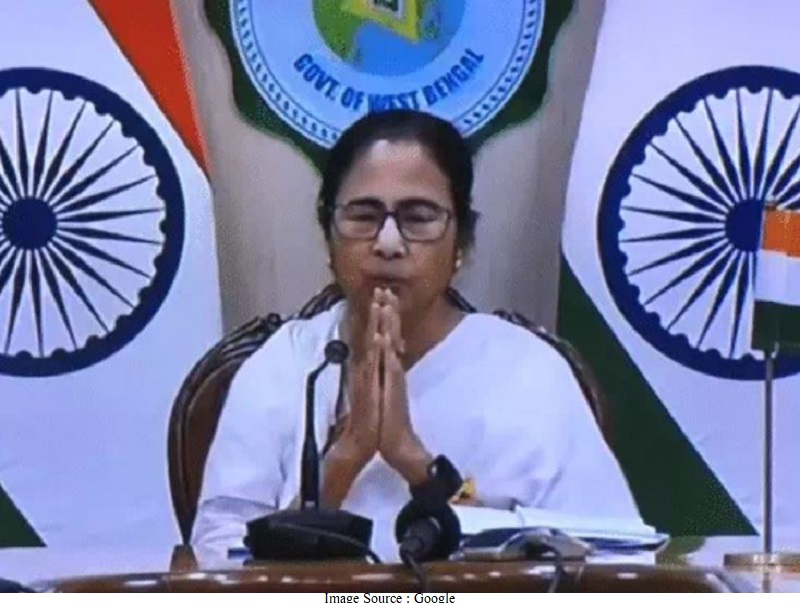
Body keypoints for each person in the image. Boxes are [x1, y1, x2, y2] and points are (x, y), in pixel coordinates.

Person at [192, 109, 644, 561]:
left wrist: (416, 463)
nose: (388, 243)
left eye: (418, 217)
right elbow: (215, 561)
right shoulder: (286, 365)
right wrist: (344, 459)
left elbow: (611, 559)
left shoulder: (528, 371)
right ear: (328, 237)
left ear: (461, 243)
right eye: (363, 216)